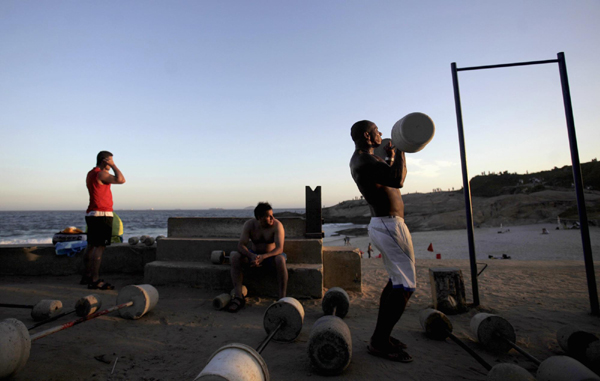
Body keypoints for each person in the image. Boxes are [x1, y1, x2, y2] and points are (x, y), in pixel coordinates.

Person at [350, 120, 415, 363]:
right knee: (405, 286)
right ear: (368, 136)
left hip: (388, 224)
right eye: (377, 131)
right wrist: (402, 149)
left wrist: (389, 157)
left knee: (396, 282)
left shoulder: (366, 159)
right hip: (388, 225)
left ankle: (382, 336)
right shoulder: (363, 160)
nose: (381, 134)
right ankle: (379, 341)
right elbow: (397, 179)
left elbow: (385, 177)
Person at [228, 202, 288, 312]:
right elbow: (241, 245)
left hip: (271, 256)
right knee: (235, 257)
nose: (272, 218)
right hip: (254, 255)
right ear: (259, 217)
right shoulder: (250, 225)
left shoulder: (277, 225)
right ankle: (238, 297)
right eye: (268, 216)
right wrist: (252, 256)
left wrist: (264, 256)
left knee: (280, 259)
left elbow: (279, 249)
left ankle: (281, 298)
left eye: (272, 215)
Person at [81, 151, 126, 290]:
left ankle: (87, 276)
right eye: (110, 160)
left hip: (92, 213)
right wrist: (114, 166)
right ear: (105, 161)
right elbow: (121, 180)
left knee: (91, 246)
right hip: (102, 214)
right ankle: (95, 280)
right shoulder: (101, 174)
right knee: (99, 247)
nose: (111, 163)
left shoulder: (90, 173)